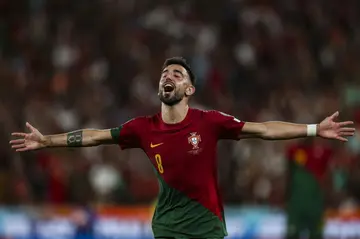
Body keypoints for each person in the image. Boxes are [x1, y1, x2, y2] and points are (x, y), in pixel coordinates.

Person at [10, 57, 355, 238]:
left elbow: (263, 130)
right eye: (165, 73)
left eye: (177, 73)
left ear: (189, 89)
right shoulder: (143, 128)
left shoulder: (209, 121)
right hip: (166, 226)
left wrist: (313, 129)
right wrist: (47, 141)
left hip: (205, 226)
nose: (168, 76)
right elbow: (95, 135)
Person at [285, 138, 333, 239]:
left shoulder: (323, 152)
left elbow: (328, 174)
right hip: (296, 203)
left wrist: (326, 197)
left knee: (316, 233)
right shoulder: (294, 151)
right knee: (292, 233)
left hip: (315, 202)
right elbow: (288, 175)